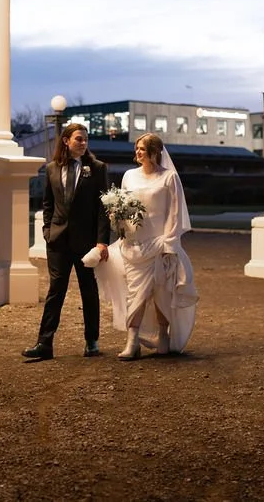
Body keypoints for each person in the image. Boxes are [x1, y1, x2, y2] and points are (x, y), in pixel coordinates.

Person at [95, 133, 198, 360]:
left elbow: (175, 212)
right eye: (137, 148)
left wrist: (169, 243)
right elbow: (121, 207)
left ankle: (163, 336)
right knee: (135, 293)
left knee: (162, 292)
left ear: (154, 152)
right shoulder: (129, 176)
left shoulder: (169, 178)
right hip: (134, 245)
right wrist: (118, 222)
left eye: (142, 148)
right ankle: (132, 341)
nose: (137, 152)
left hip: (160, 243)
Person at [22, 123, 110, 361]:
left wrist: (102, 242)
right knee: (55, 291)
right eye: (79, 139)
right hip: (58, 241)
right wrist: (47, 231)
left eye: (85, 139)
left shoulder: (97, 169)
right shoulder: (51, 169)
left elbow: (103, 209)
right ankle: (44, 344)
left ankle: (92, 341)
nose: (83, 143)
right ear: (66, 141)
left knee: (88, 291)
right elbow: (48, 204)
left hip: (86, 243)